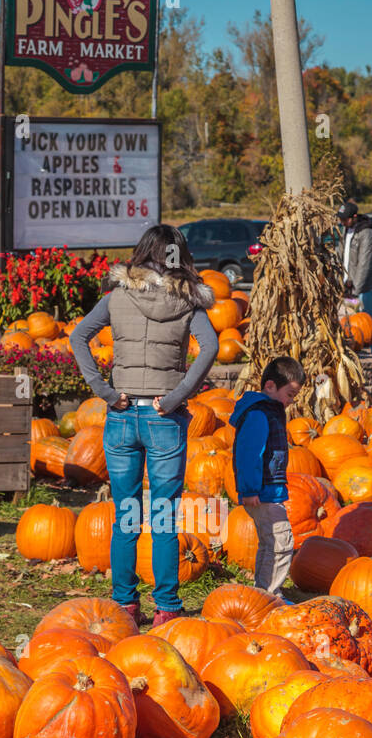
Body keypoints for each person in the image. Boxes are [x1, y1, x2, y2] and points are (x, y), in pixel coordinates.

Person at [70, 225, 218, 627]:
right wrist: (176, 396)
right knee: (165, 517)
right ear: (178, 257)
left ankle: (124, 605)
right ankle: (166, 609)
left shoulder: (118, 295)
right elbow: (212, 348)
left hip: (121, 415)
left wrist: (102, 388)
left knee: (126, 516)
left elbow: (78, 336)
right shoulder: (189, 301)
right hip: (164, 418)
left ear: (142, 253)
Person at [230, 357, 305, 598]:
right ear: (270, 386)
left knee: (270, 542)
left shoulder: (268, 411)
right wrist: (250, 489)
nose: (290, 401)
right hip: (262, 493)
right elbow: (250, 453)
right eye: (290, 394)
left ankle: (263, 594)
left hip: (267, 491)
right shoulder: (259, 414)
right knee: (282, 543)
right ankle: (271, 596)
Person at [336, 200, 372, 317]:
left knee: (364, 320)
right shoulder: (345, 230)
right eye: (341, 219)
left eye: (345, 219)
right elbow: (341, 255)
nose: (342, 222)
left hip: (363, 288)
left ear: (354, 217)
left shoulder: (366, 233)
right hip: (348, 286)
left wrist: (355, 291)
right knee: (348, 321)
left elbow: (364, 264)